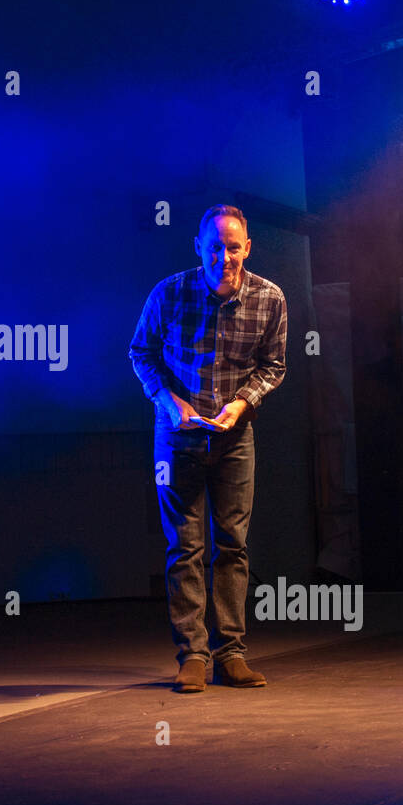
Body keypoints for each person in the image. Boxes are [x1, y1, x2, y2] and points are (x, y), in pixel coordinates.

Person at [128, 204, 287, 693]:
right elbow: (141, 353)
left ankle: (231, 654)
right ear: (199, 247)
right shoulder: (169, 293)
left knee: (233, 546)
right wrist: (168, 401)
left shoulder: (270, 298)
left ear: (248, 247)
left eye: (233, 247)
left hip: (235, 436)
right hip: (177, 436)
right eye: (215, 247)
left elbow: (273, 366)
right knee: (185, 548)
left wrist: (241, 404)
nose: (225, 256)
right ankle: (192, 655)